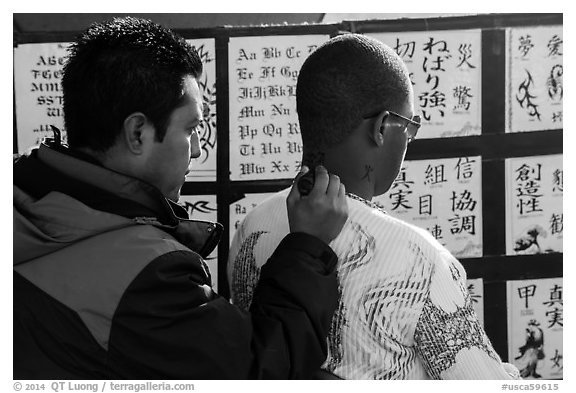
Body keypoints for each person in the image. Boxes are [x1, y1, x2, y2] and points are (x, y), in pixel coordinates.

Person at [13, 16, 348, 379]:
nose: (199, 150)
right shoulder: (145, 275)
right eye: (190, 129)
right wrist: (308, 245)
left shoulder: (23, 197)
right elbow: (259, 370)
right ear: (138, 132)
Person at [228, 33, 521, 380]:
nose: (408, 141)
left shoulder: (252, 226)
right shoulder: (421, 260)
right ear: (382, 127)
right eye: (409, 128)